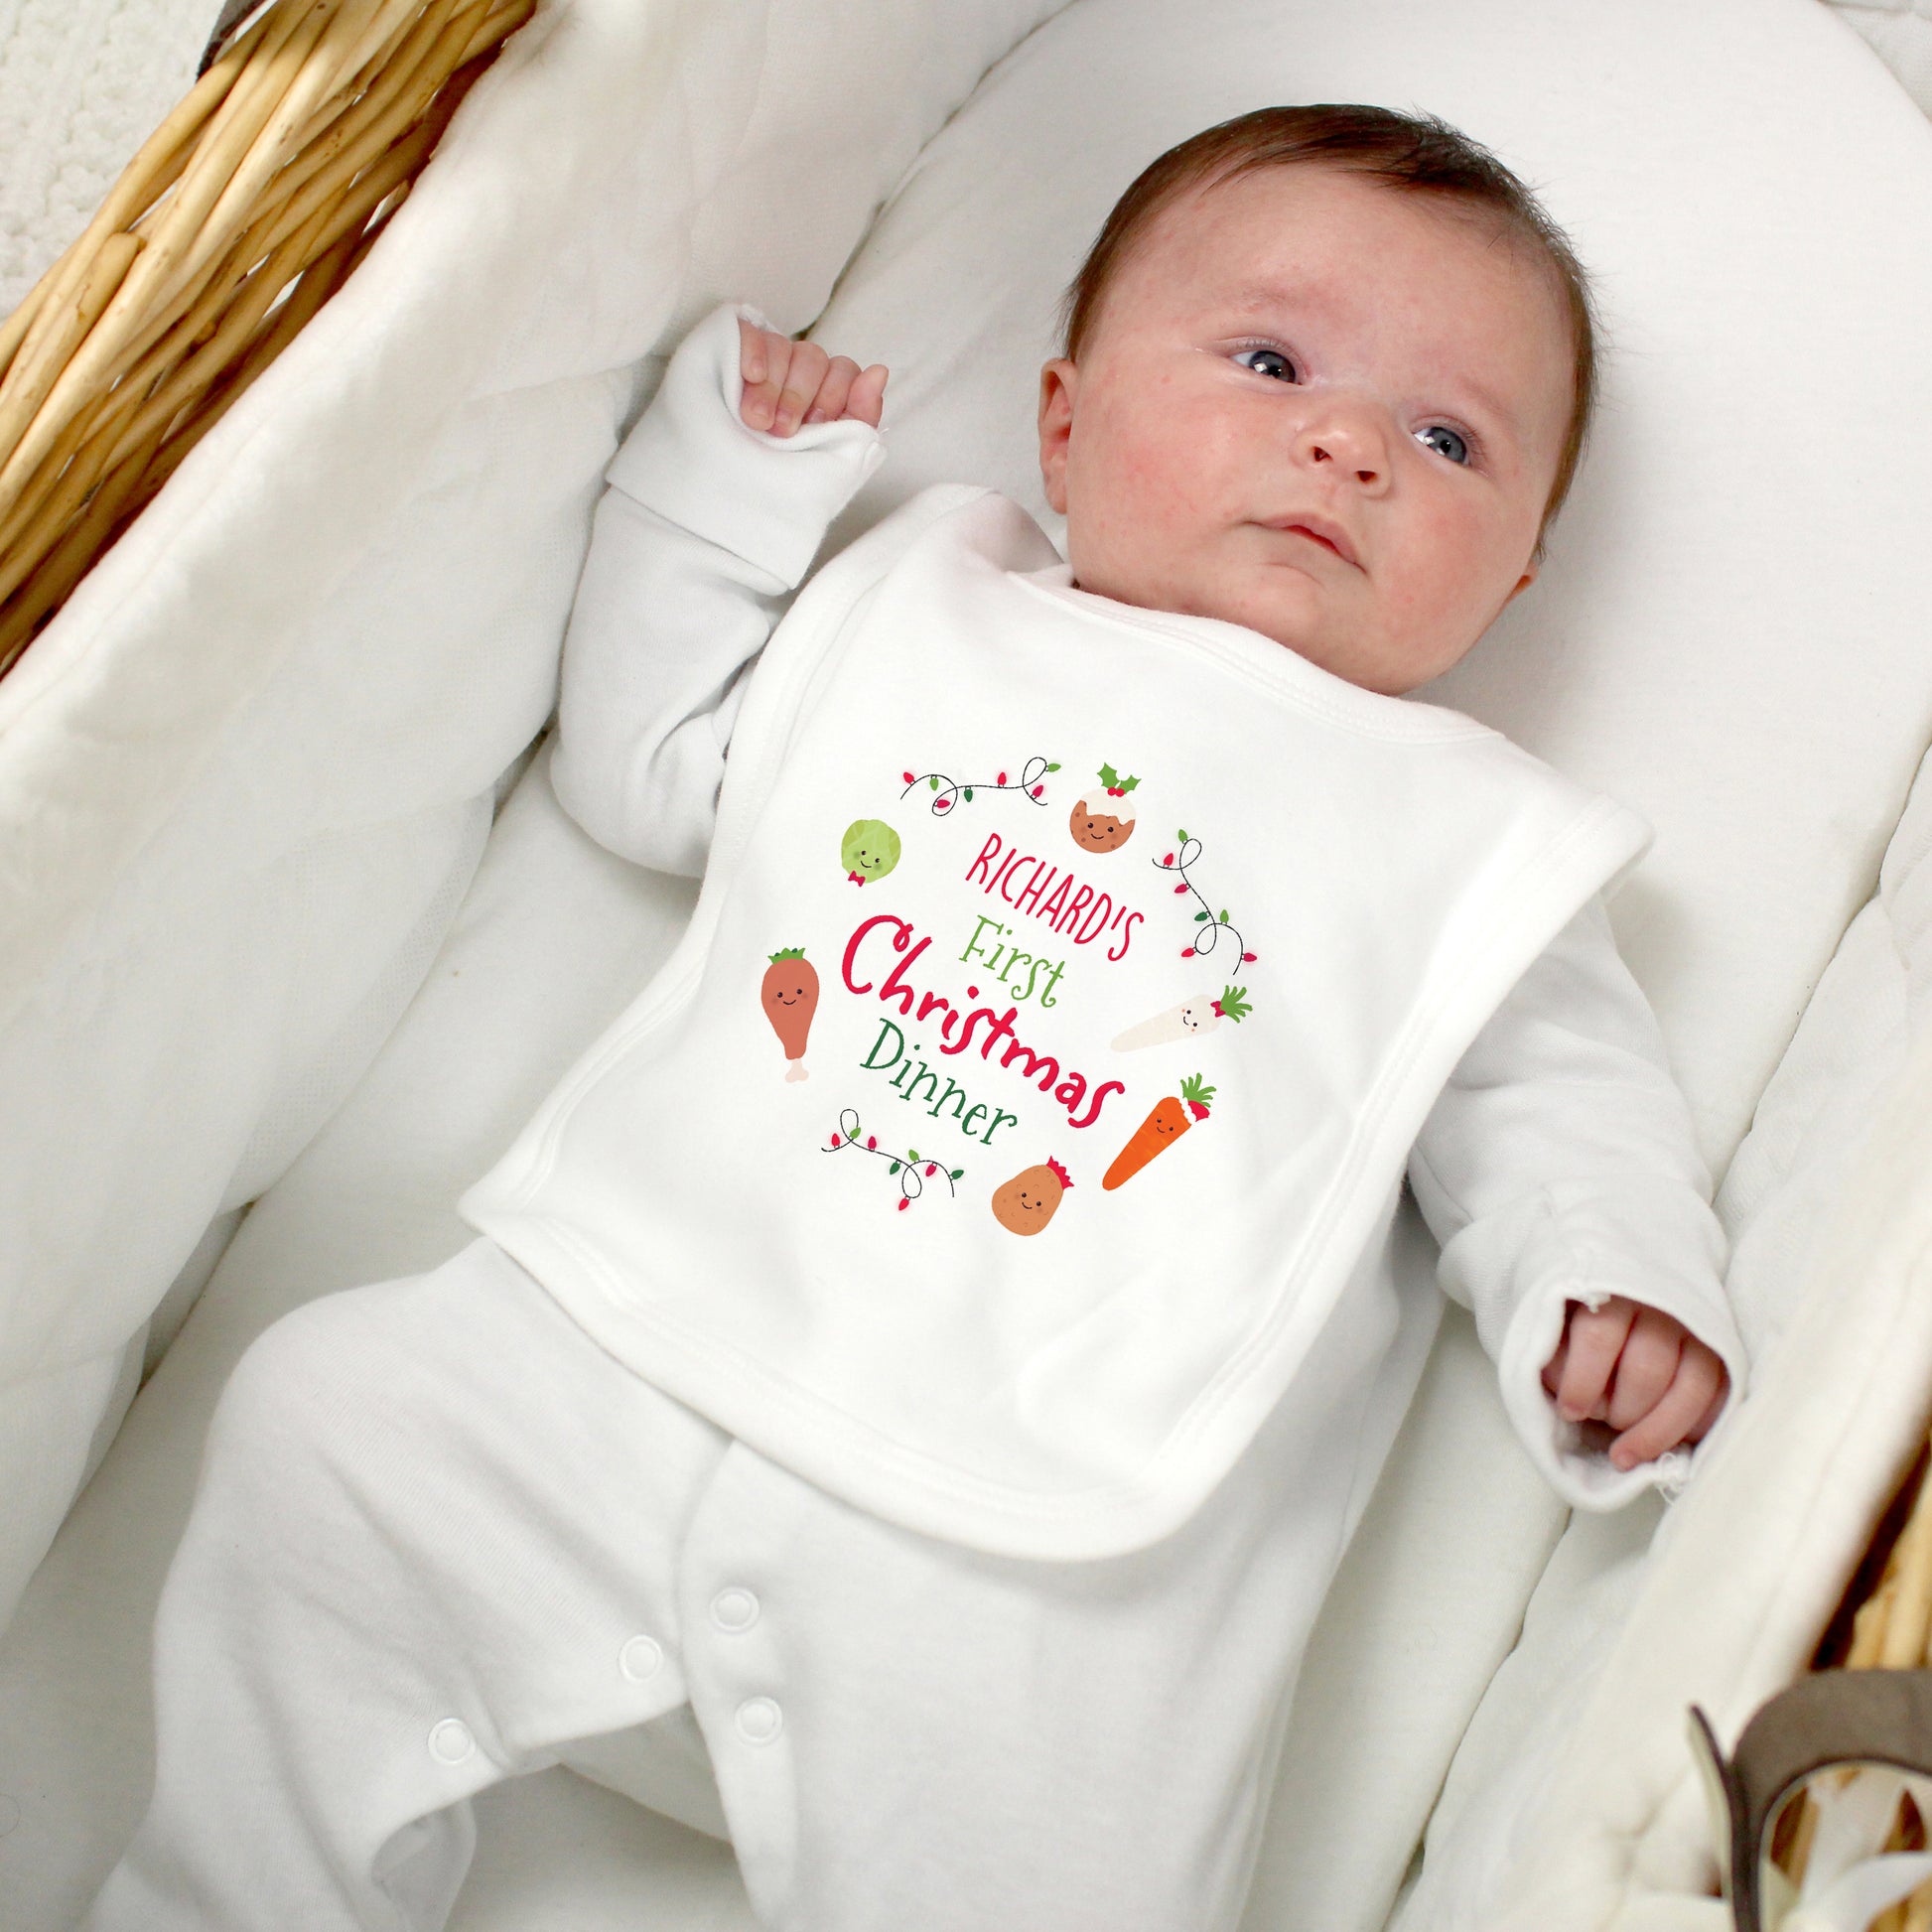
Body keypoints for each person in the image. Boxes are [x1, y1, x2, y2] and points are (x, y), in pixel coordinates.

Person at [88, 105, 1743, 1931]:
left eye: (1448, 439)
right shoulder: (925, 621)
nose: (1347, 445)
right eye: (1268, 361)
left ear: (1510, 578)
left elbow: (1560, 1098)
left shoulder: (1460, 836)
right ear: (1059, 422)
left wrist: (1605, 1274)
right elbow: (645, 769)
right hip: (631, 1357)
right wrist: (717, 498)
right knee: (325, 1428)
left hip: (1039, 1552)